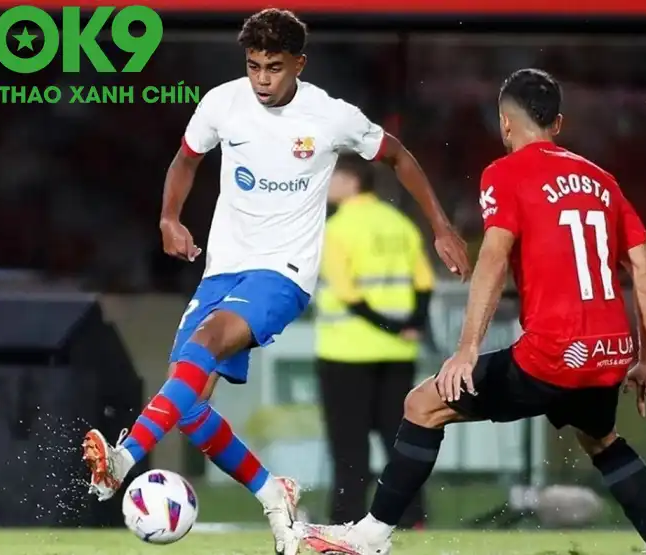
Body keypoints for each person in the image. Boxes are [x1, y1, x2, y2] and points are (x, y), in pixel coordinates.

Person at [79, 8, 470, 555]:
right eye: (254, 66)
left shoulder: (330, 116)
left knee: (208, 342)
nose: (262, 79)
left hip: (283, 272)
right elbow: (186, 160)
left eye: (274, 67)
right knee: (185, 403)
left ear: (299, 64)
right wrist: (169, 217)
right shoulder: (222, 103)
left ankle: (123, 460)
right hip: (222, 270)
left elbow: (398, 157)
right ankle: (273, 494)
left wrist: (442, 228)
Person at [300, 68, 646, 555]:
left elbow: (493, 258)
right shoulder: (602, 180)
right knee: (601, 438)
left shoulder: (504, 173)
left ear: (505, 123)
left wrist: (467, 350)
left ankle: (370, 536)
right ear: (558, 123)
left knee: (423, 405)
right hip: (609, 353)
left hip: (552, 354)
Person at [315, 154, 432, 528]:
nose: (327, 184)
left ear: (352, 181)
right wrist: (410, 325)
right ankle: (412, 518)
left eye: (333, 177)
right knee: (401, 441)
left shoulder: (337, 229)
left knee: (349, 447)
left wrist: (389, 327)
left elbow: (348, 295)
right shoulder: (399, 223)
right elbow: (424, 283)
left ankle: (346, 520)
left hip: (345, 352)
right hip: (398, 354)